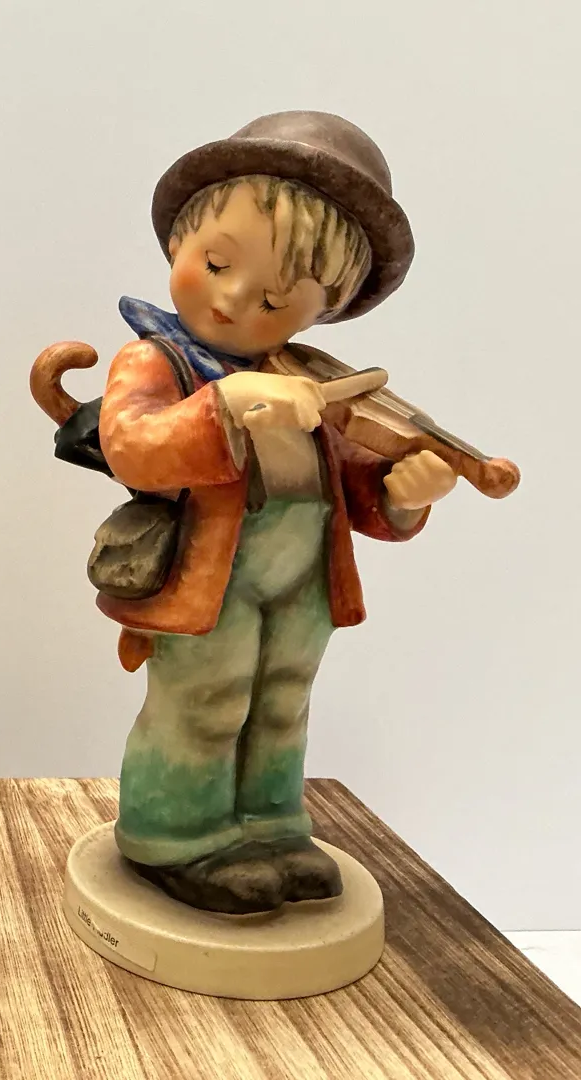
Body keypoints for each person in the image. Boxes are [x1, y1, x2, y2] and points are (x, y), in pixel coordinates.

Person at [39, 112, 456, 914]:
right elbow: (133, 445)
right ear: (179, 242)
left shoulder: (309, 373)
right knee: (208, 702)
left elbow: (354, 483)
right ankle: (175, 833)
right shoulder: (155, 358)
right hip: (214, 575)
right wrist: (224, 404)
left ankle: (271, 826)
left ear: (327, 305)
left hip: (301, 577)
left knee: (283, 699)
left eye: (272, 296)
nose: (232, 299)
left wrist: (402, 495)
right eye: (216, 263)